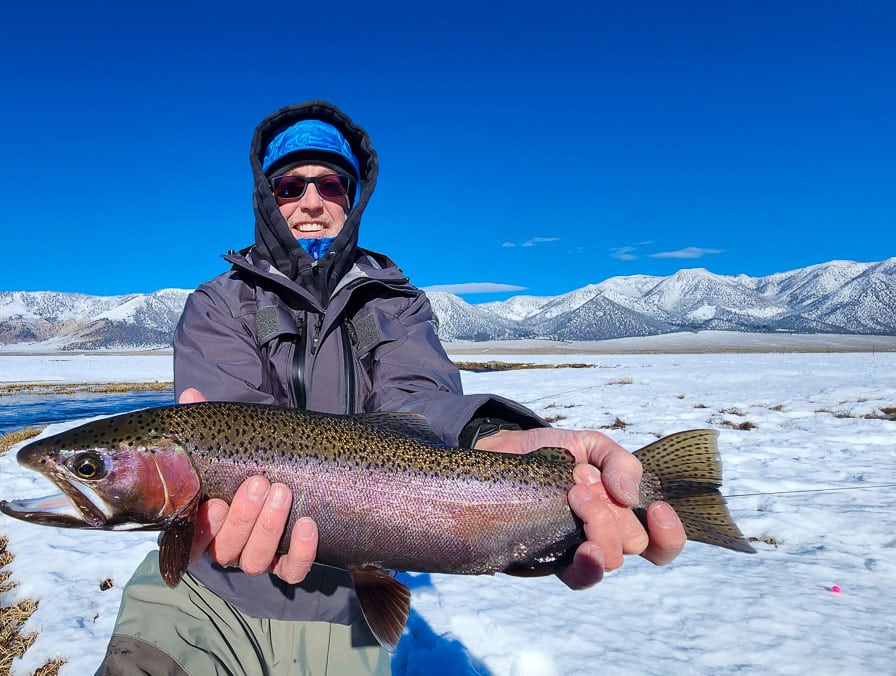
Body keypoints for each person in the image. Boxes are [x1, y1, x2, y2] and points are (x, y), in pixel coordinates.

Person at [97, 101, 687, 675]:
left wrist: (487, 438)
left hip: (343, 610)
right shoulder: (219, 303)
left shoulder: (398, 303)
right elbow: (238, 429)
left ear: (352, 200)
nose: (311, 202)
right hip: (209, 589)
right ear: (264, 197)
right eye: (289, 186)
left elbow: (418, 402)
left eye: (331, 185)